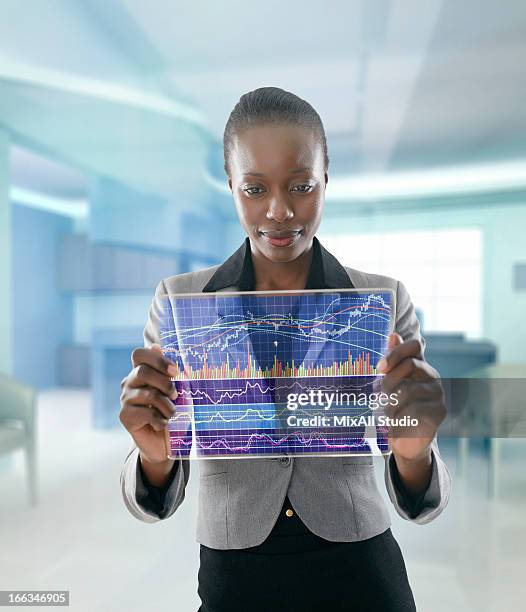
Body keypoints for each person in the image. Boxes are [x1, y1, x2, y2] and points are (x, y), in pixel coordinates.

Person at [119, 87, 451, 612]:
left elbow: (418, 496)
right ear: (230, 185)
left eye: (300, 186)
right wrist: (154, 456)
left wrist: (413, 450)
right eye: (254, 189)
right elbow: (157, 495)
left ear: (325, 182)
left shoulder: (381, 301)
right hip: (235, 573)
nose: (278, 211)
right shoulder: (180, 301)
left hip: (360, 566)